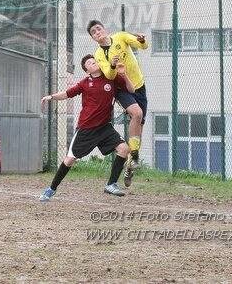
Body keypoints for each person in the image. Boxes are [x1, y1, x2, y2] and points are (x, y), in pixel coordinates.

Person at [39, 55, 135, 199]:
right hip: (86, 128)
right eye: (89, 63)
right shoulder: (84, 83)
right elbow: (67, 94)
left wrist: (123, 74)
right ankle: (51, 188)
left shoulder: (111, 77)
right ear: (87, 70)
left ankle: (111, 184)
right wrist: (51, 97)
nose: (93, 63)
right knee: (70, 160)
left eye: (94, 60)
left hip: (104, 127)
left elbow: (131, 90)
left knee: (124, 149)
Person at [87, 20, 149, 187]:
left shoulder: (120, 37)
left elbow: (141, 45)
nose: (97, 32)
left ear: (105, 29)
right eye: (93, 32)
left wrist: (142, 40)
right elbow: (109, 74)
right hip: (122, 89)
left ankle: (130, 165)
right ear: (93, 38)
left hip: (139, 85)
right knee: (137, 113)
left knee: (139, 126)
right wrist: (113, 65)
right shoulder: (99, 54)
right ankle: (134, 155)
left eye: (99, 28)